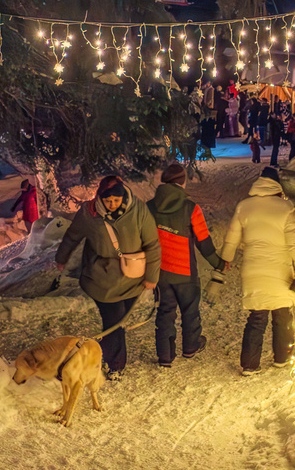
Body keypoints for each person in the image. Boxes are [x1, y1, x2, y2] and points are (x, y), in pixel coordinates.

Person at [55, 175, 160, 379]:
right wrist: (62, 257)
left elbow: (152, 244)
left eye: (116, 201)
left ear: (123, 196)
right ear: (99, 198)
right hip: (101, 277)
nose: (112, 205)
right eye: (107, 201)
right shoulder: (89, 213)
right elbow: (72, 236)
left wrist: (152, 275)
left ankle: (101, 352)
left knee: (118, 321)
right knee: (115, 322)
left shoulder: (138, 210)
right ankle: (116, 366)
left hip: (132, 276)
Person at [220, 167, 295, 374]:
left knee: (257, 317)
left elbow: (232, 237)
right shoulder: (285, 208)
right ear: (278, 186)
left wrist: (225, 260)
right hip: (280, 272)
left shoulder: (244, 206)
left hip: (253, 269)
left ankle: (250, 365)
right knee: (283, 315)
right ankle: (282, 357)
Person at [147, 162, 225, 367]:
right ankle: (190, 347)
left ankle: (165, 356)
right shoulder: (191, 208)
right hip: (185, 272)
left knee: (165, 312)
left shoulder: (149, 207)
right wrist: (218, 263)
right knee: (190, 311)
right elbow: (203, 241)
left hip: (160, 272)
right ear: (182, 182)